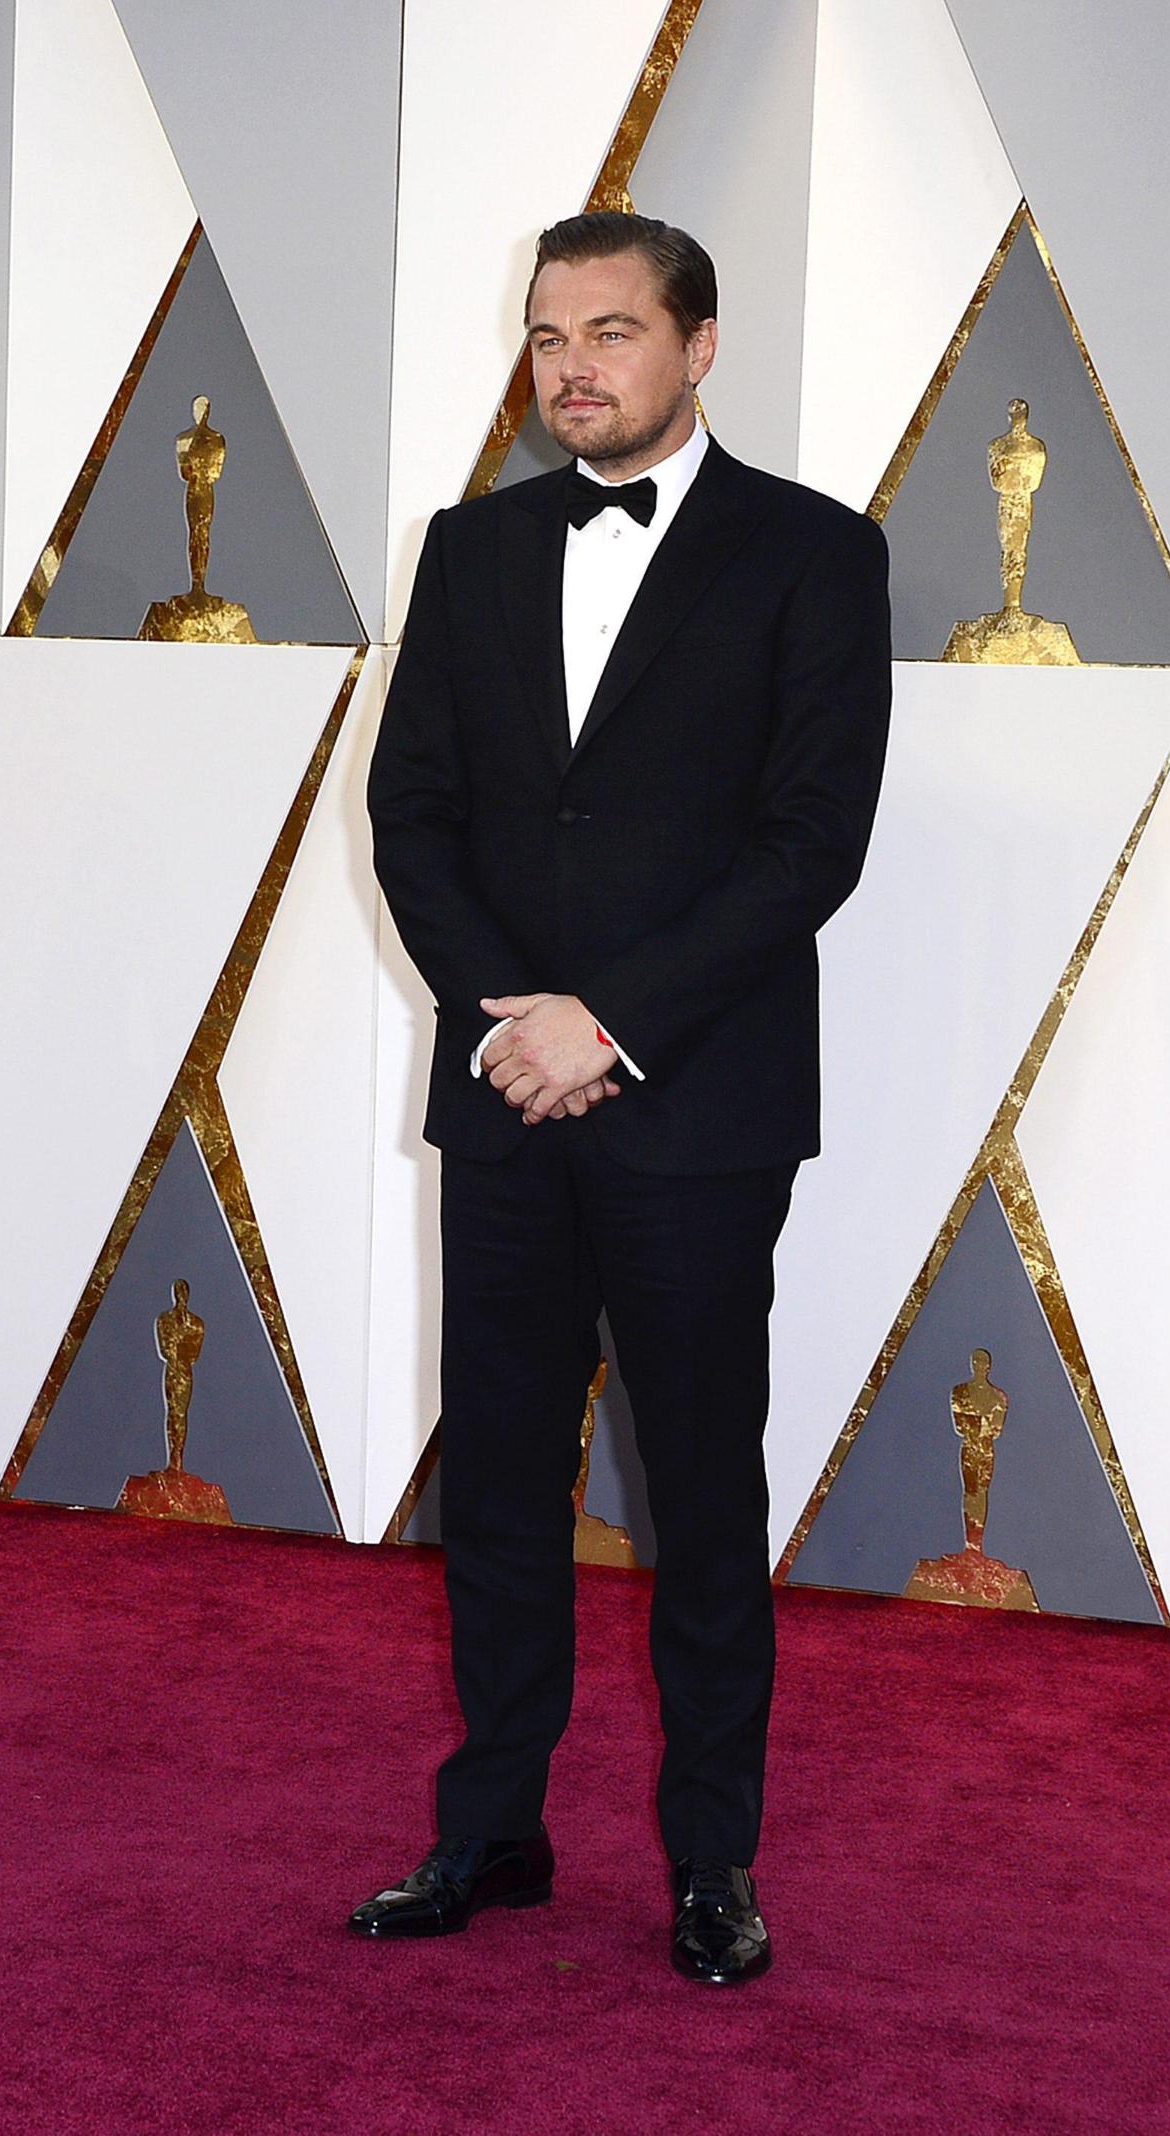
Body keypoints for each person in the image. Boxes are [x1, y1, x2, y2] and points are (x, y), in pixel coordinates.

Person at [357, 213, 891, 1983]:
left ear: (699, 344)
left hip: (696, 1106)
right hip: (507, 1091)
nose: (571, 367)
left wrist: (613, 1025)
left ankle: (714, 1861)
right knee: (501, 1483)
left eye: (610, 331)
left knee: (702, 1497)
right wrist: (509, 1024)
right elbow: (413, 815)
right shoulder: (471, 550)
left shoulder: (816, 554)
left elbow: (811, 842)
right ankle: (491, 1830)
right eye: (546, 335)